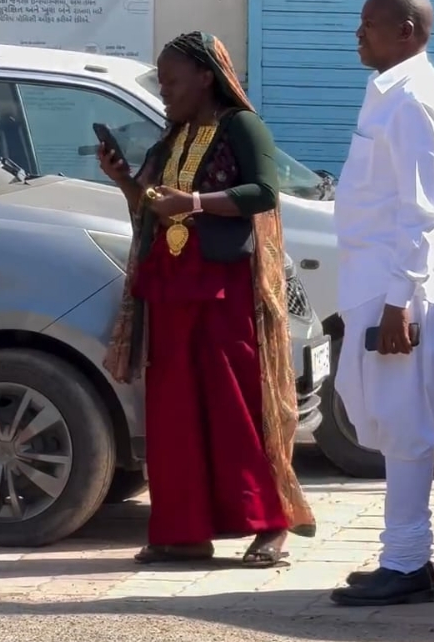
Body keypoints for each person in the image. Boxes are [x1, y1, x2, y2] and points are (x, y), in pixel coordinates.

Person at [99, 31, 315, 566]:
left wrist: (193, 200)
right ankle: (185, 530)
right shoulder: (173, 137)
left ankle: (270, 524)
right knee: (175, 414)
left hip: (224, 292)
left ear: (204, 76)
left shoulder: (242, 126)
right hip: (171, 290)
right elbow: (151, 205)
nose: (165, 90)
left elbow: (263, 192)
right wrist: (125, 180)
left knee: (234, 406)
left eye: (172, 80)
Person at [330, 0, 434, 607]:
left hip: (398, 290)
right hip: (377, 282)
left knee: (406, 426)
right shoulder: (390, 91)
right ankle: (402, 555)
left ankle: (409, 564)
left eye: (370, 24)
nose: (358, 34)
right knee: (386, 421)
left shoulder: (414, 101)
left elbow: (423, 214)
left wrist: (397, 304)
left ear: (406, 30)